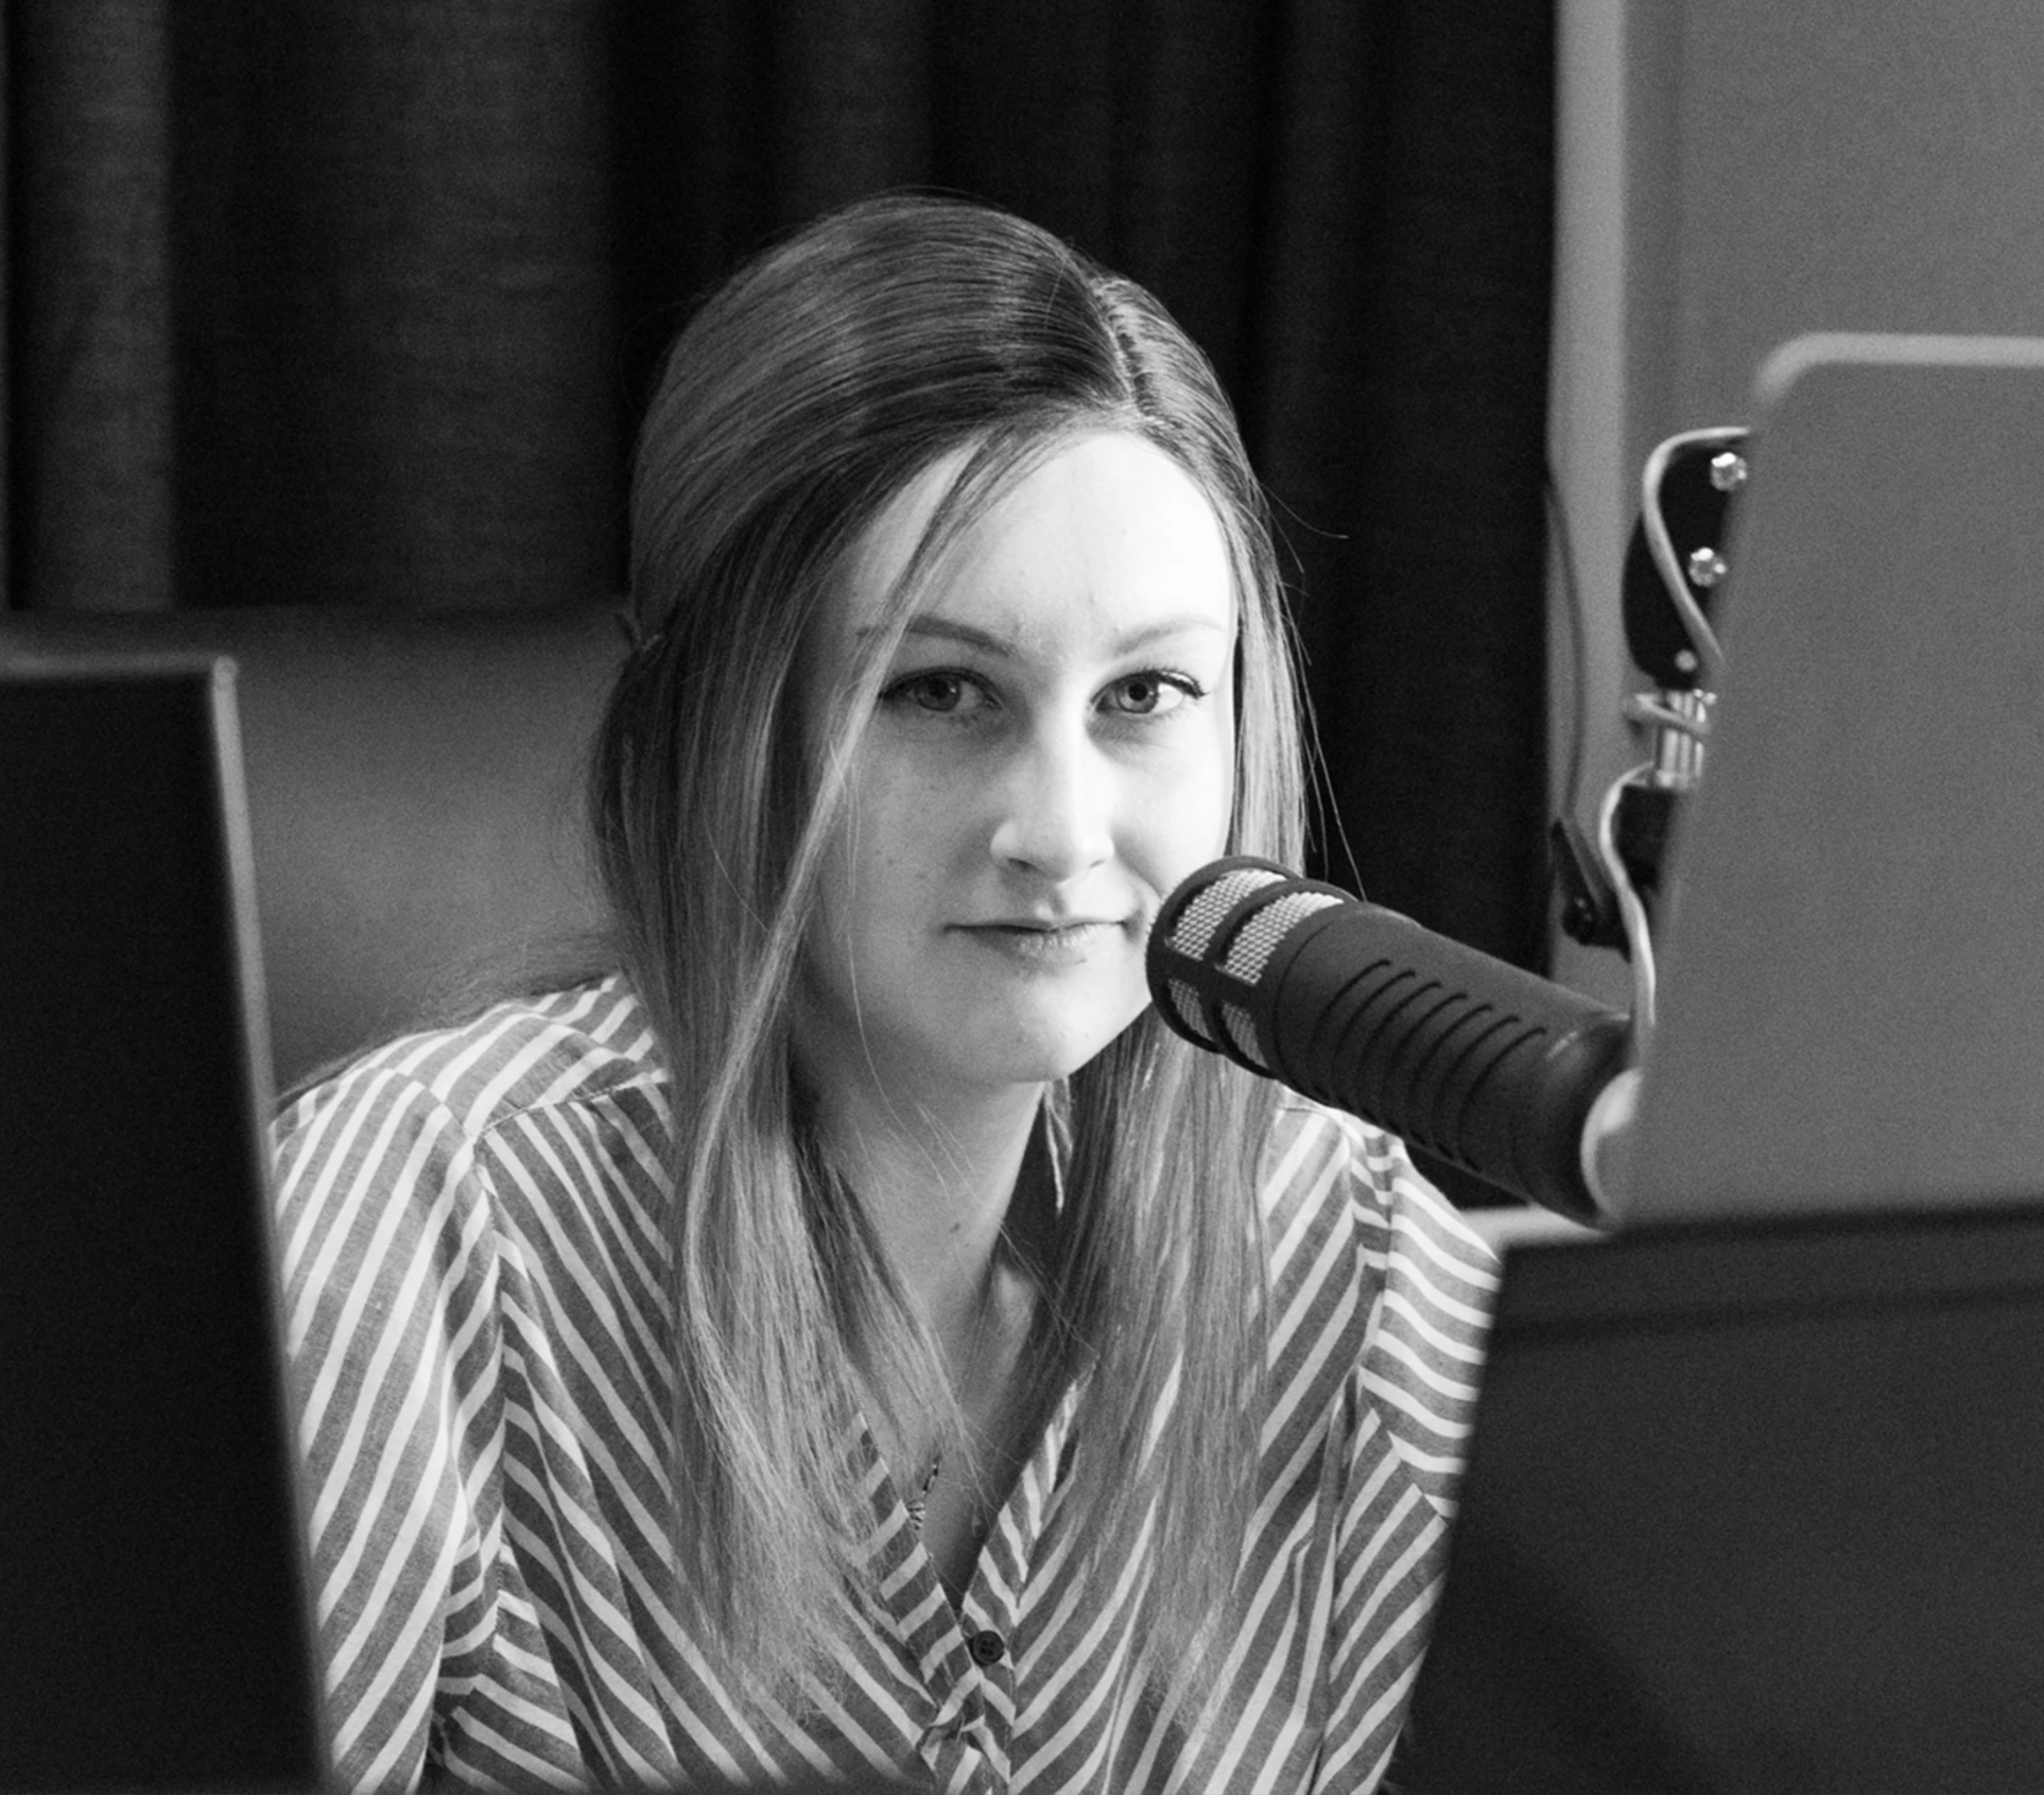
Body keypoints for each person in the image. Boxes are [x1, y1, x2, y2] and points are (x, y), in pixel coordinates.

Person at [271, 194, 1500, 1793]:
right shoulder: (417, 1228)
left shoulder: (1354, 1249)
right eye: (938, 693)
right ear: (720, 729)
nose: (1063, 834)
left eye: (1146, 695)